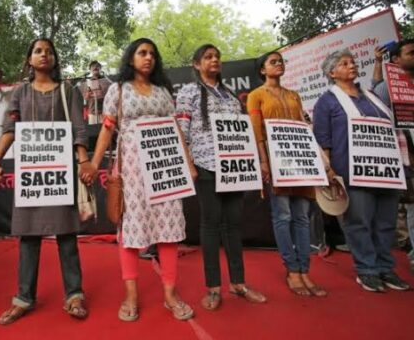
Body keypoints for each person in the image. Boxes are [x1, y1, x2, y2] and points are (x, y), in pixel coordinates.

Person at [90, 38, 197, 322]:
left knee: (168, 230)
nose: (148, 57)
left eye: (152, 54)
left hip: (166, 169)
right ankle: (131, 295)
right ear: (131, 58)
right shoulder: (118, 90)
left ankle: (170, 294)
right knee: (130, 233)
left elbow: (176, 129)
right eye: (142, 53)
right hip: (132, 170)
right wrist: (93, 163)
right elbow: (106, 129)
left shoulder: (163, 91)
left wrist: (188, 163)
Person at [0, 38, 95, 325]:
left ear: (55, 59)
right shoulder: (19, 92)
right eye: (38, 51)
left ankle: (74, 295)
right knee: (28, 237)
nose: (44, 55)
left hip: (60, 172)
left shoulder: (67, 90)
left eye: (49, 52)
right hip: (31, 174)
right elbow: (10, 129)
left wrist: (83, 161)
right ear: (29, 59)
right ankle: (24, 297)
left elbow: (78, 128)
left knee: (67, 236)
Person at [176, 44, 266, 310]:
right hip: (205, 164)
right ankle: (213, 287)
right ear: (196, 64)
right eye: (208, 57)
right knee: (211, 224)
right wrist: (189, 163)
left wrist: (252, 161)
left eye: (217, 57)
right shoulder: (189, 91)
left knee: (234, 224)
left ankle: (238, 283)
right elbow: (180, 129)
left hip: (234, 167)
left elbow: (242, 131)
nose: (214, 60)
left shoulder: (230, 95)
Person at [313, 49, 410, 292]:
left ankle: (386, 268)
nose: (352, 66)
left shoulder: (372, 96)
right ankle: (367, 270)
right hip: (352, 171)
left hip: (386, 170)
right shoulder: (327, 101)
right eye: (344, 63)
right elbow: (323, 139)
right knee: (360, 222)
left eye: (353, 62)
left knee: (386, 223)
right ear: (331, 73)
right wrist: (329, 170)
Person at [247, 51, 326, 297]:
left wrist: (318, 159)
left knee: (302, 217)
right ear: (262, 70)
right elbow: (257, 131)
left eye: (281, 61)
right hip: (276, 161)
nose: (279, 64)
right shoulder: (256, 95)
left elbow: (303, 127)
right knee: (283, 216)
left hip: (301, 161)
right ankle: (292, 270)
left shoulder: (294, 95)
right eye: (273, 62)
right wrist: (263, 161)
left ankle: (305, 270)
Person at [371, 39, 414, 272]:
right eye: (411, 53)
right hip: (407, 156)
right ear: (396, 60)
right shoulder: (387, 87)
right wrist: (378, 63)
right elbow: (376, 106)